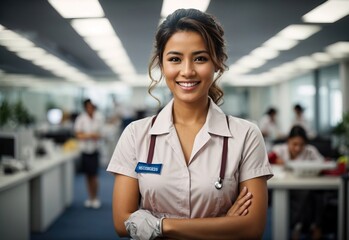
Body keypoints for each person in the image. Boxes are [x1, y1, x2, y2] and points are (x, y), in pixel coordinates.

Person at [107, 8, 273, 239]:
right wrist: (224, 224)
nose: (187, 71)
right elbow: (122, 221)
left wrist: (160, 225)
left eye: (200, 58)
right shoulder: (136, 134)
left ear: (217, 63)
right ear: (162, 65)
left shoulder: (246, 135)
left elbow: (252, 228)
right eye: (175, 59)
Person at [271, 125, 325, 239]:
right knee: (306, 195)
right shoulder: (278, 150)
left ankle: (298, 226)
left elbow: (323, 164)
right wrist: (274, 161)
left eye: (301, 145)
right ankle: (310, 226)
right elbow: (266, 163)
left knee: (312, 194)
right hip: (286, 186)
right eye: (294, 144)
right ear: (288, 141)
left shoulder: (310, 151)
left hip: (306, 188)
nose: (298, 148)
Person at [75, 99, 104, 209]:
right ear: (85, 108)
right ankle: (90, 197)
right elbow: (78, 135)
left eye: (91, 106)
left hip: (95, 149)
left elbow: (101, 133)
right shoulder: (81, 118)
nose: (90, 109)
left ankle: (95, 197)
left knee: (95, 175)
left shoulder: (99, 117)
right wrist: (90, 135)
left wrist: (89, 135)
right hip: (85, 150)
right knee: (88, 176)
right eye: (88, 107)